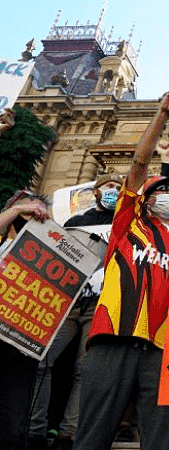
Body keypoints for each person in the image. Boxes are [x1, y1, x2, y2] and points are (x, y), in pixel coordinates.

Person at [73, 87, 169, 450]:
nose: (168, 196)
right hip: (113, 338)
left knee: (161, 439)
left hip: (163, 350)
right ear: (146, 199)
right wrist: (163, 115)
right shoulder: (128, 223)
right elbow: (139, 164)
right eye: (160, 191)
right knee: (93, 436)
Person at [29, 173, 124, 450]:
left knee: (86, 370)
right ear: (95, 192)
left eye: (119, 188)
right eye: (109, 187)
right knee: (43, 359)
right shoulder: (74, 222)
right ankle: (35, 427)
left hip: (100, 304)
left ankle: (70, 432)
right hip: (67, 301)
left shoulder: (125, 224)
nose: (114, 191)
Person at [0, 190, 50, 450]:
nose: (33, 212)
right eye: (27, 208)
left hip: (21, 350)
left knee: (12, 428)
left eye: (38, 209)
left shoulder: (48, 253)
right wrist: (17, 211)